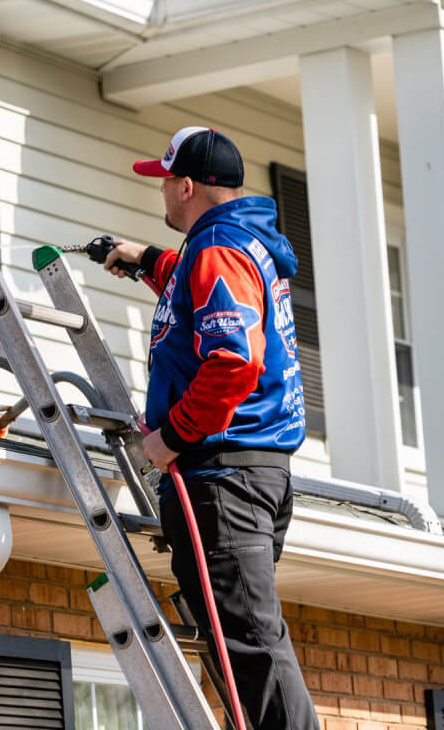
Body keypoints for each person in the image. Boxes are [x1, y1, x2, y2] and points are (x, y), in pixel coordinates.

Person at [103, 126, 319, 730]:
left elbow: (233, 360)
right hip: (254, 474)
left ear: (187, 185)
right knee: (245, 648)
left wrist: (171, 437)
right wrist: (147, 260)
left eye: (166, 181)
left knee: (250, 651)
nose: (163, 193)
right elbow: (202, 290)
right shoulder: (236, 246)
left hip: (222, 478)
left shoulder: (218, 250)